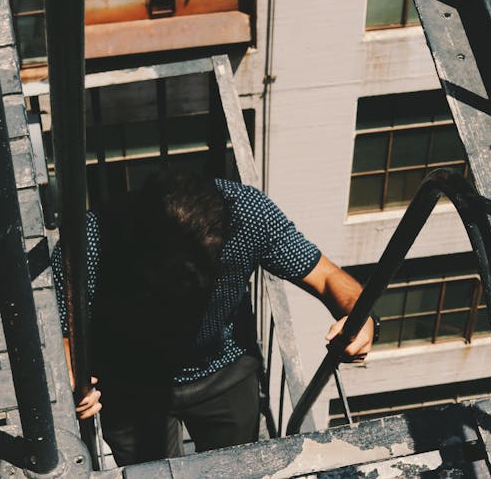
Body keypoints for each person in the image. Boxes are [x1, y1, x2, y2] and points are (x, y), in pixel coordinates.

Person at [51, 170, 376, 465]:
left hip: (224, 371)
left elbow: (325, 277)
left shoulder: (251, 214)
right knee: (148, 474)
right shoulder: (91, 240)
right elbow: (60, 328)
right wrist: (70, 381)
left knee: (235, 469)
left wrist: (360, 318)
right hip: (130, 382)